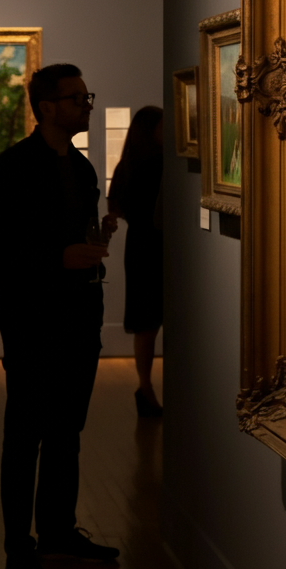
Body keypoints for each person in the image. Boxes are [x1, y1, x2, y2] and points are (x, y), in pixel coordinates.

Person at [0, 63, 120, 569]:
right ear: (46, 108)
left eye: (87, 95)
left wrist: (94, 236)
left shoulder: (81, 169)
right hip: (32, 318)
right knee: (26, 435)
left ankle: (58, 531)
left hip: (79, 315)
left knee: (67, 431)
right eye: (76, 97)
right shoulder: (13, 166)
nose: (86, 104)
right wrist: (59, 255)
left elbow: (73, 231)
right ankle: (20, 548)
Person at [107, 106, 164, 418]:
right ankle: (147, 390)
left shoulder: (129, 164)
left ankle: (146, 388)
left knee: (146, 324)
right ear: (150, 130)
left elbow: (116, 208)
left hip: (139, 246)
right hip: (155, 247)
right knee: (150, 323)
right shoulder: (158, 165)